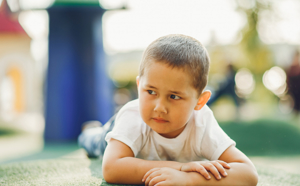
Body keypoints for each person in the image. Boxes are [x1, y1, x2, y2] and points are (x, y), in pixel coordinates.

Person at [79, 34, 258, 186]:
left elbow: (248, 174)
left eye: (174, 96)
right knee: (95, 141)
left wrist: (188, 179)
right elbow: (111, 168)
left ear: (200, 101)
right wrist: (179, 167)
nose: (159, 108)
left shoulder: (202, 123)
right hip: (112, 135)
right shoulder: (132, 116)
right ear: (139, 86)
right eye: (150, 92)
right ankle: (90, 131)